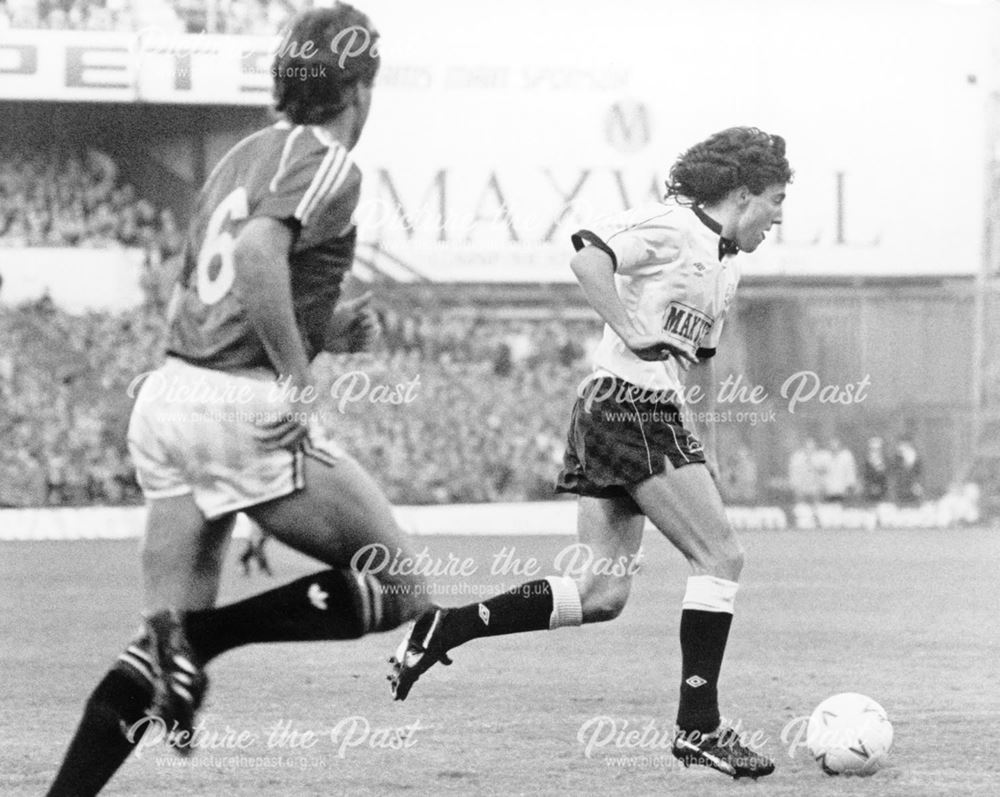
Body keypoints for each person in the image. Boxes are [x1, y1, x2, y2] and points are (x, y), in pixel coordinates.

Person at [47, 7, 431, 795]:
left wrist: (326, 325)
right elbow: (257, 253)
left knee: (154, 648)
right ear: (359, 89)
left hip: (168, 394)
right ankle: (206, 637)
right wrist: (299, 374)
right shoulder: (328, 159)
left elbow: (216, 283)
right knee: (402, 587)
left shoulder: (236, 158)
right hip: (235, 401)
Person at [389, 127, 792, 780]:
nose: (778, 216)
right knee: (721, 556)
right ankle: (700, 727)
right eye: (775, 200)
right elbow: (586, 257)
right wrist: (632, 328)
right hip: (627, 405)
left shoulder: (726, 267)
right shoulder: (672, 227)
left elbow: (701, 366)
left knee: (603, 592)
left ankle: (448, 625)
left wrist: (707, 448)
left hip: (628, 413)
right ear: (743, 194)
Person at [823, 436, 858, 502]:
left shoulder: (846, 456)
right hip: (829, 491)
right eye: (832, 445)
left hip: (842, 490)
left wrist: (850, 485)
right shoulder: (826, 457)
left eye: (836, 445)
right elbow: (823, 474)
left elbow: (850, 472)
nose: (834, 447)